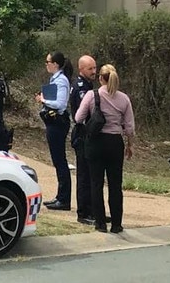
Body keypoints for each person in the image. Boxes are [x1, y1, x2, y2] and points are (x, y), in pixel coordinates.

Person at [75, 64, 134, 234]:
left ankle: (100, 222)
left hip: (95, 142)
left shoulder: (91, 95)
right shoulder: (123, 98)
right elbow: (129, 126)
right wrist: (130, 144)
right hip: (115, 142)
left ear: (101, 78)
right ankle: (117, 223)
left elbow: (79, 118)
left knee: (96, 183)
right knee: (115, 184)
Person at [36, 51, 73, 211]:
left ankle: (64, 199)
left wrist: (43, 100)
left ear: (55, 64)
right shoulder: (55, 79)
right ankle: (60, 196)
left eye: (48, 61)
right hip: (52, 122)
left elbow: (60, 104)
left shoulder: (62, 80)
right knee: (57, 160)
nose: (46, 64)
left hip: (58, 122)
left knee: (60, 160)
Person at [69, 55, 97, 225]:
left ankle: (93, 210)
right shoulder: (80, 87)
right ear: (81, 69)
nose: (94, 71)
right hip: (83, 133)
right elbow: (83, 114)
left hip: (89, 134)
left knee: (92, 174)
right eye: (90, 69)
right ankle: (83, 212)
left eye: (95, 68)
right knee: (84, 175)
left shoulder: (88, 85)